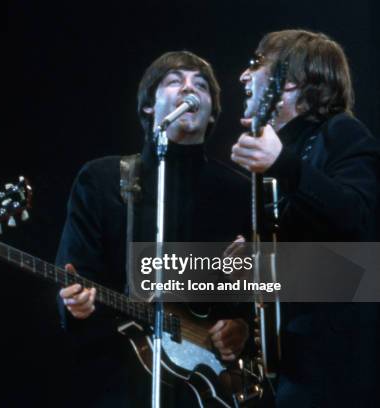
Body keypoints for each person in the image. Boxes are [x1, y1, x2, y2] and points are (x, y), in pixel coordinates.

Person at [56, 51, 252, 407]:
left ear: (211, 113)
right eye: (175, 81)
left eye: (201, 85)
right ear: (149, 106)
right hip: (120, 379)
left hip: (210, 389)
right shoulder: (102, 179)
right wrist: (75, 306)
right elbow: (74, 273)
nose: (188, 89)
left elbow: (261, 291)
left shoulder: (237, 191)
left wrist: (243, 328)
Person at [231, 29, 380, 407]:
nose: (243, 77)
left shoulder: (340, 133)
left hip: (336, 369)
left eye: (256, 64)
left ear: (291, 82)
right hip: (289, 366)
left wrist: (283, 165)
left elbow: (356, 216)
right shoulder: (273, 159)